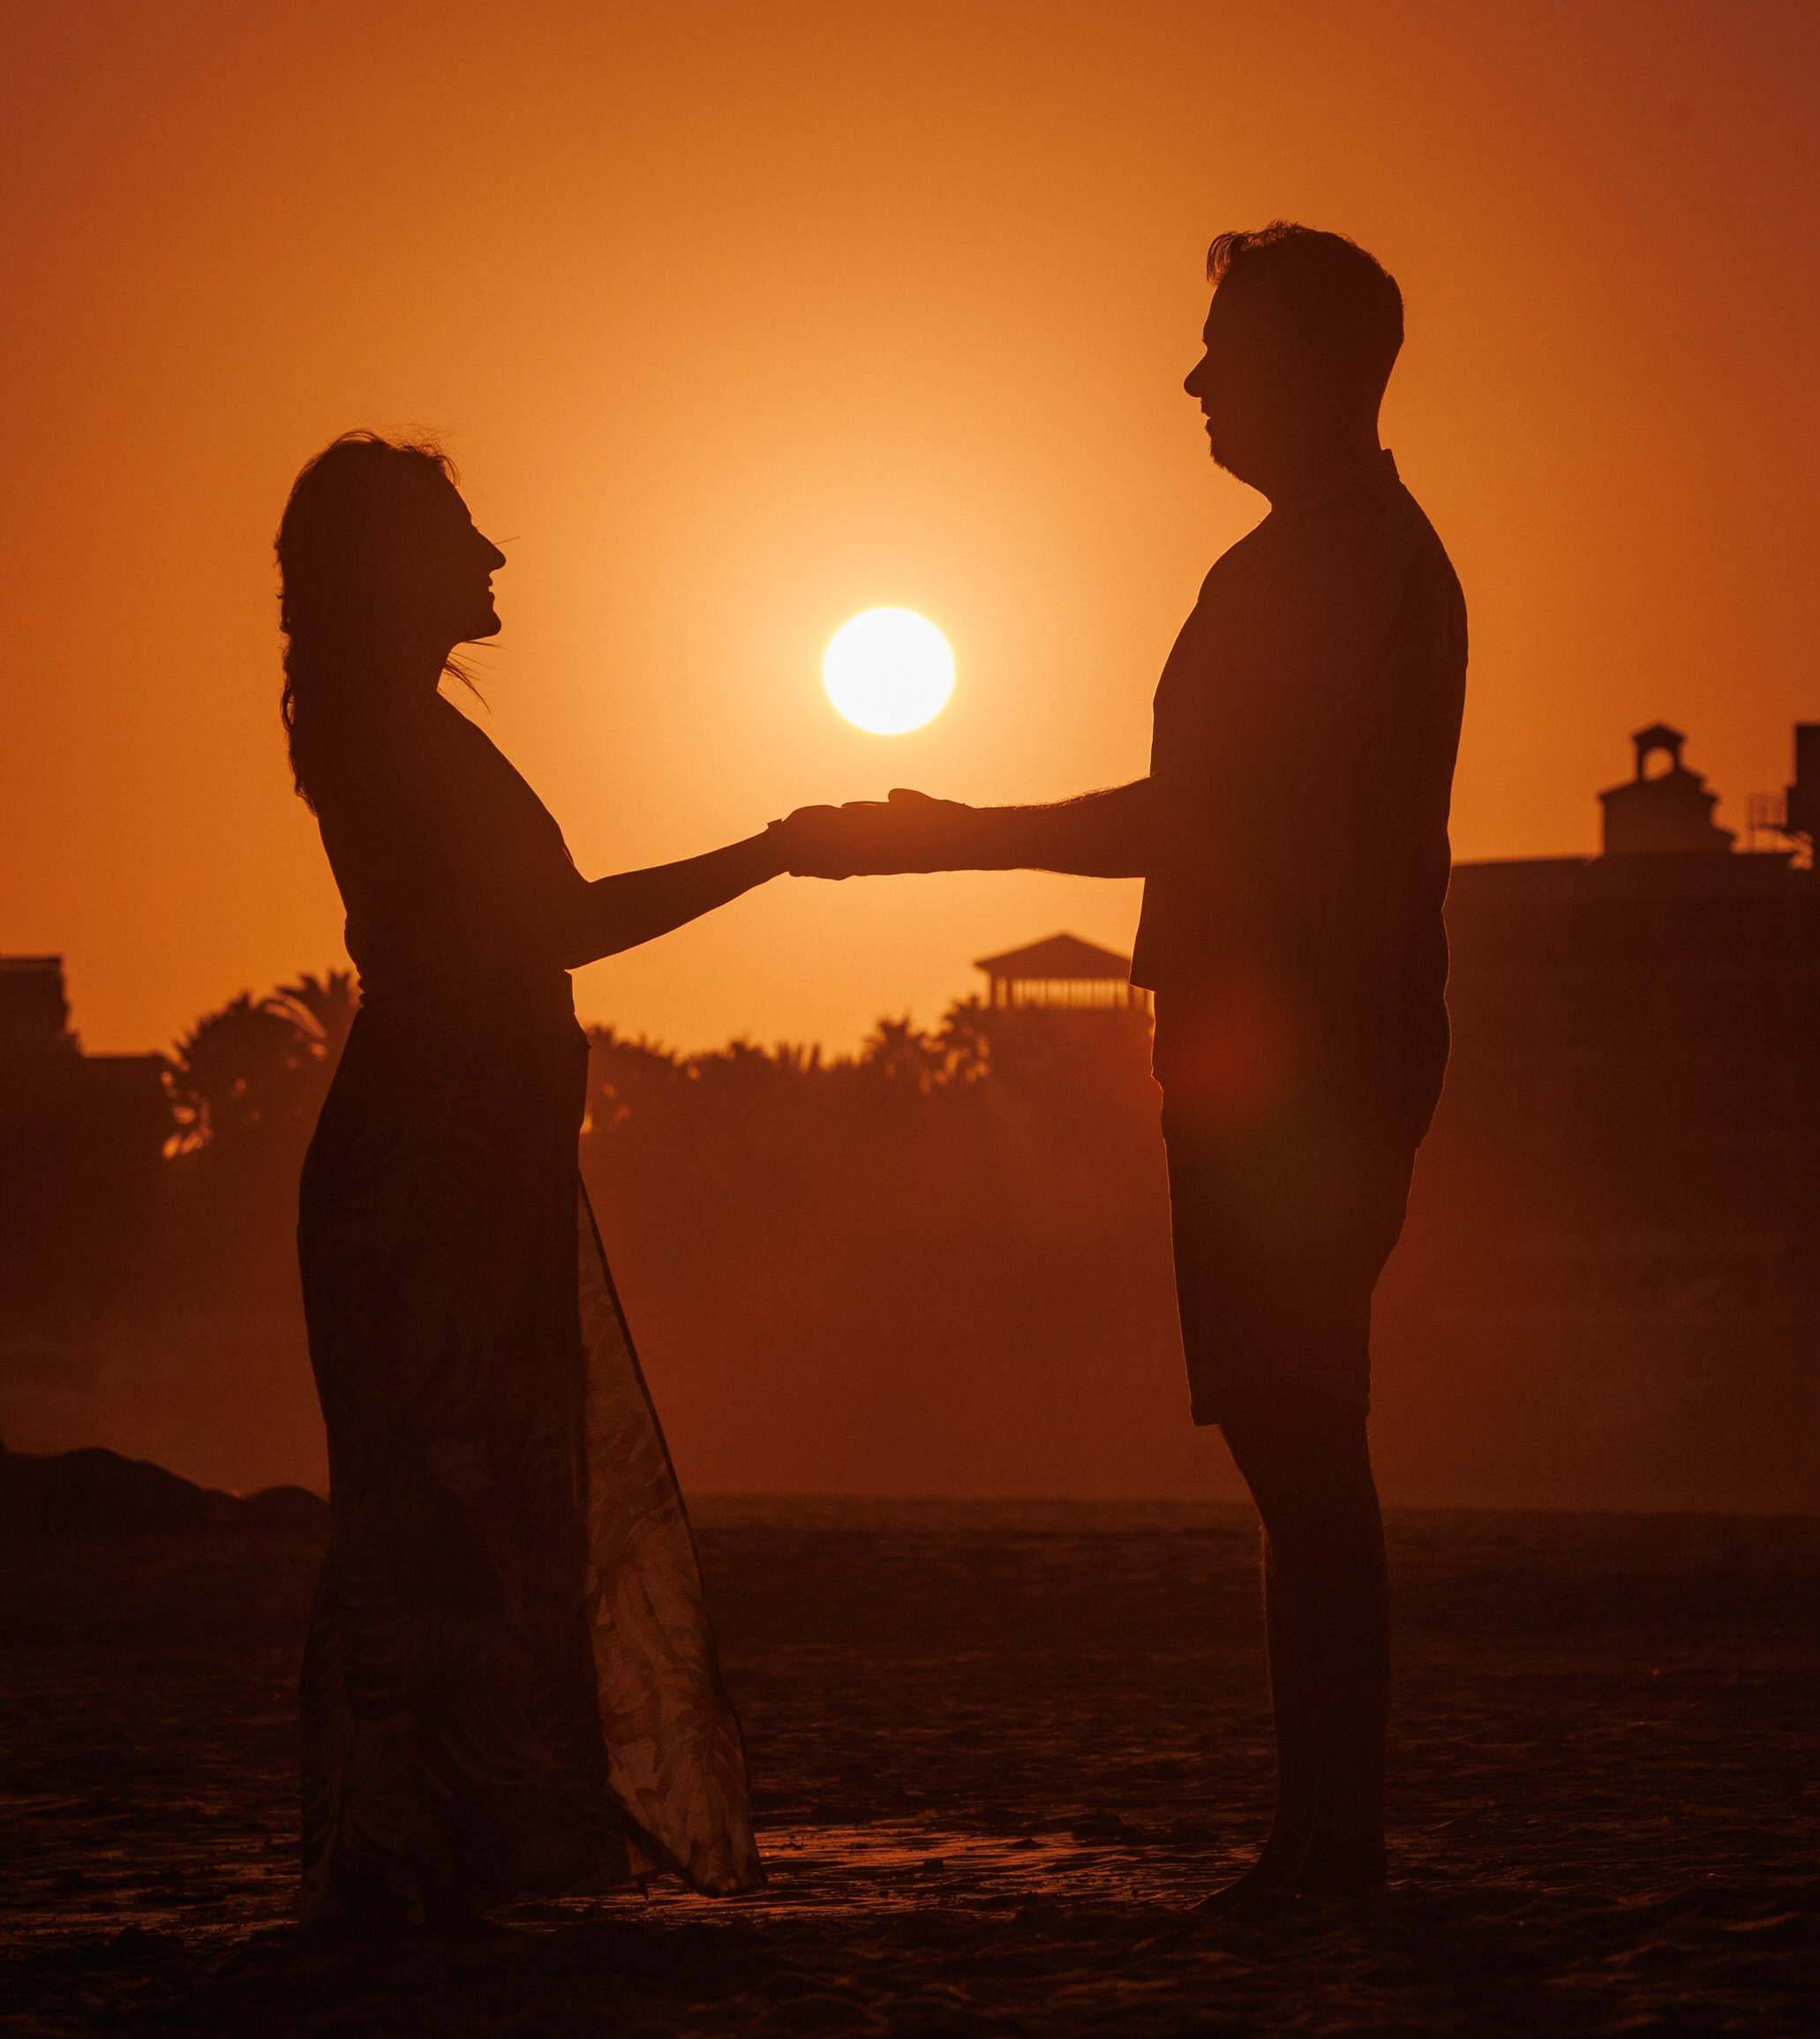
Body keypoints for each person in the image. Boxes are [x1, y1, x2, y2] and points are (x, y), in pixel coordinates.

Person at [780, 223, 1467, 1910]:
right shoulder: (1309, 561)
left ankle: (1336, 1846)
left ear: (1316, 365)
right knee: (1287, 1441)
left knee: (1305, 1445)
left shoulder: (1350, 566)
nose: (1196, 377)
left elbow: (1210, 815)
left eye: (1224, 346)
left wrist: (949, 840)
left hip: (1307, 1051)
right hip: (1268, 1042)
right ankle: (1319, 1837)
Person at [279, 433, 777, 1928]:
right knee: (451, 1498)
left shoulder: (395, 730)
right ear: (387, 569)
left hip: (461, 1158)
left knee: (469, 1492)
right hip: (432, 1170)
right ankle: (445, 1841)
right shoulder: (400, 741)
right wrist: (775, 854)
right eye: (459, 533)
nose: (493, 556)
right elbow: (561, 925)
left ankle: (453, 1840)